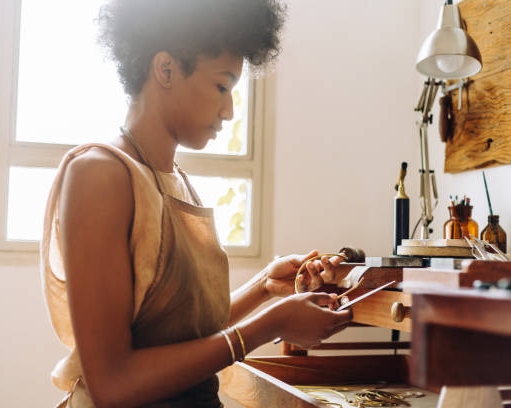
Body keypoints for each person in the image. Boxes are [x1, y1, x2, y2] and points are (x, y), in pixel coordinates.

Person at [40, 0, 352, 407]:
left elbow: (174, 336)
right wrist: (268, 326)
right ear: (166, 69)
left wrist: (265, 287)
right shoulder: (100, 174)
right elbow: (112, 384)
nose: (229, 111)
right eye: (222, 86)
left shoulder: (176, 180)